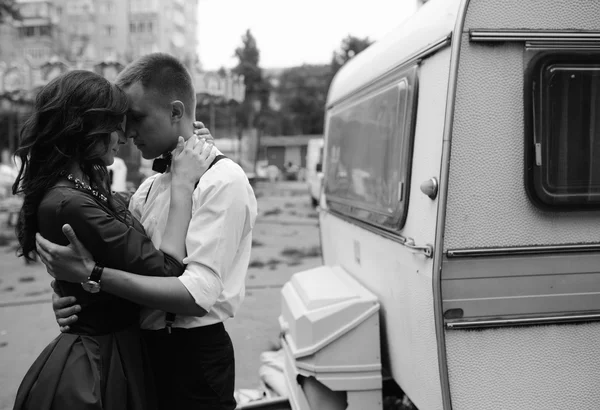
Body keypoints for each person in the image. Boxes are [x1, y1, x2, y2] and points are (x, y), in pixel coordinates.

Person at [36, 53, 258, 410]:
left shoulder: (223, 181)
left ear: (175, 112)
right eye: (121, 122)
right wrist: (76, 297)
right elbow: (129, 262)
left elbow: (194, 296)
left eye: (135, 119)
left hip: (192, 359)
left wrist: (93, 275)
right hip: (140, 351)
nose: (126, 133)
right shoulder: (150, 188)